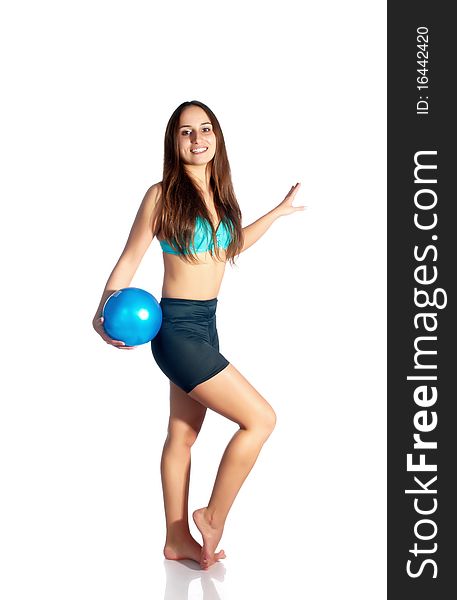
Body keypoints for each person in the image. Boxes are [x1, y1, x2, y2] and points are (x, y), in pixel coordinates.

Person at [92, 100, 304, 570]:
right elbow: (130, 259)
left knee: (182, 437)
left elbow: (232, 245)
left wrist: (277, 212)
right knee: (261, 419)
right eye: (186, 132)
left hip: (206, 326)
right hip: (178, 332)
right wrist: (101, 310)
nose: (197, 139)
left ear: (217, 137)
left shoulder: (221, 196)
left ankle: (176, 540)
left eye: (204, 129)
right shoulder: (161, 194)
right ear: (174, 141)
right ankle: (211, 515)